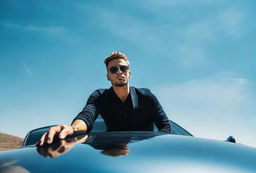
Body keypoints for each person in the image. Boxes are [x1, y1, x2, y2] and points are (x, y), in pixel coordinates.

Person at [38, 51, 171, 146]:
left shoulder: (146, 96)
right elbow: (87, 115)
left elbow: (165, 127)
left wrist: (152, 145)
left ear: (129, 74)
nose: (119, 72)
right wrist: (73, 129)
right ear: (108, 76)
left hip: (146, 154)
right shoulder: (100, 96)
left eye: (123, 68)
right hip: (112, 155)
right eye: (113, 70)